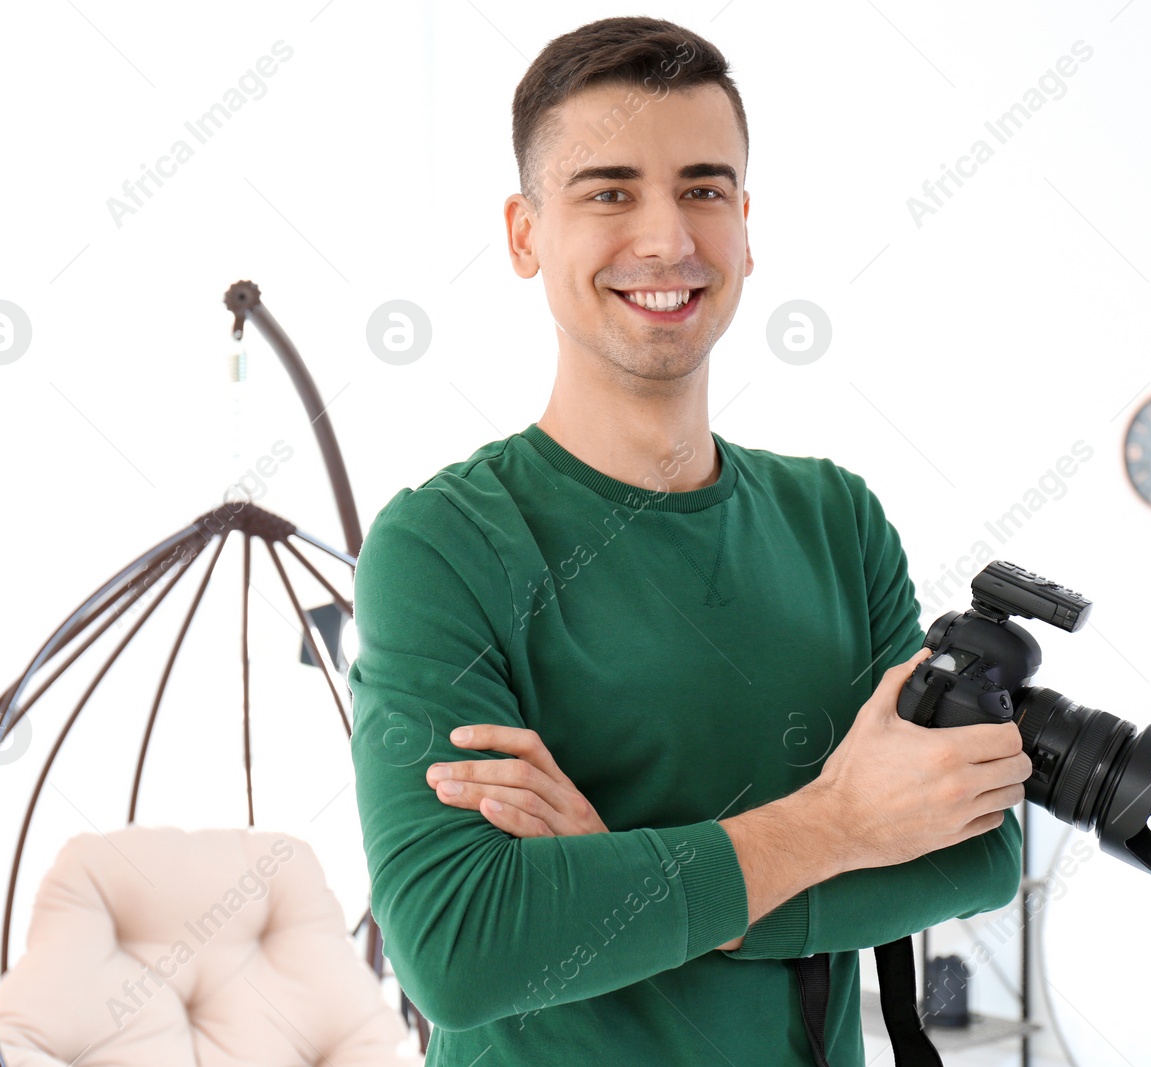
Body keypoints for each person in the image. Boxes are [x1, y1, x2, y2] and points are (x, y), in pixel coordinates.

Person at [347, 15, 1031, 1066]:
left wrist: (619, 877)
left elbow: (974, 851)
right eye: (608, 190)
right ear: (526, 234)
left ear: (746, 227)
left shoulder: (836, 520)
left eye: (703, 189)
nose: (666, 238)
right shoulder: (443, 543)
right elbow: (460, 944)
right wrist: (839, 827)